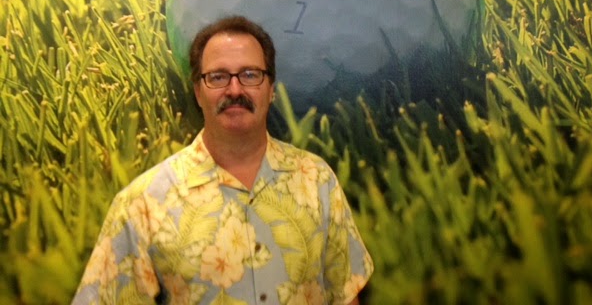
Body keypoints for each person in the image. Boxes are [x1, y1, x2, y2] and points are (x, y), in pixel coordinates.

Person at [72, 15, 373, 304]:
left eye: (250, 75)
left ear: (271, 90)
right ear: (197, 92)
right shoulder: (143, 204)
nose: (235, 89)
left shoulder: (316, 179)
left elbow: (344, 295)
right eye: (218, 77)